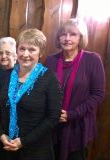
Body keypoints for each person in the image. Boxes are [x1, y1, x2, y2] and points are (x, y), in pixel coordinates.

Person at [0, 28, 62, 159]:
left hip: (36, 150)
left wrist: (24, 141)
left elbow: (53, 117)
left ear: (41, 53)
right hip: (6, 147)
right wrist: (1, 135)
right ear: (16, 51)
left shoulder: (50, 78)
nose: (25, 54)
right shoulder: (5, 76)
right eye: (22, 49)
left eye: (32, 49)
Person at [45, 18, 106, 160]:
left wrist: (73, 114)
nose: (67, 38)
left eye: (73, 34)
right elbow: (43, 90)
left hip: (78, 126)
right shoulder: (50, 60)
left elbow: (98, 94)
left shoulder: (92, 60)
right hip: (51, 125)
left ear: (81, 37)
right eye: (63, 34)